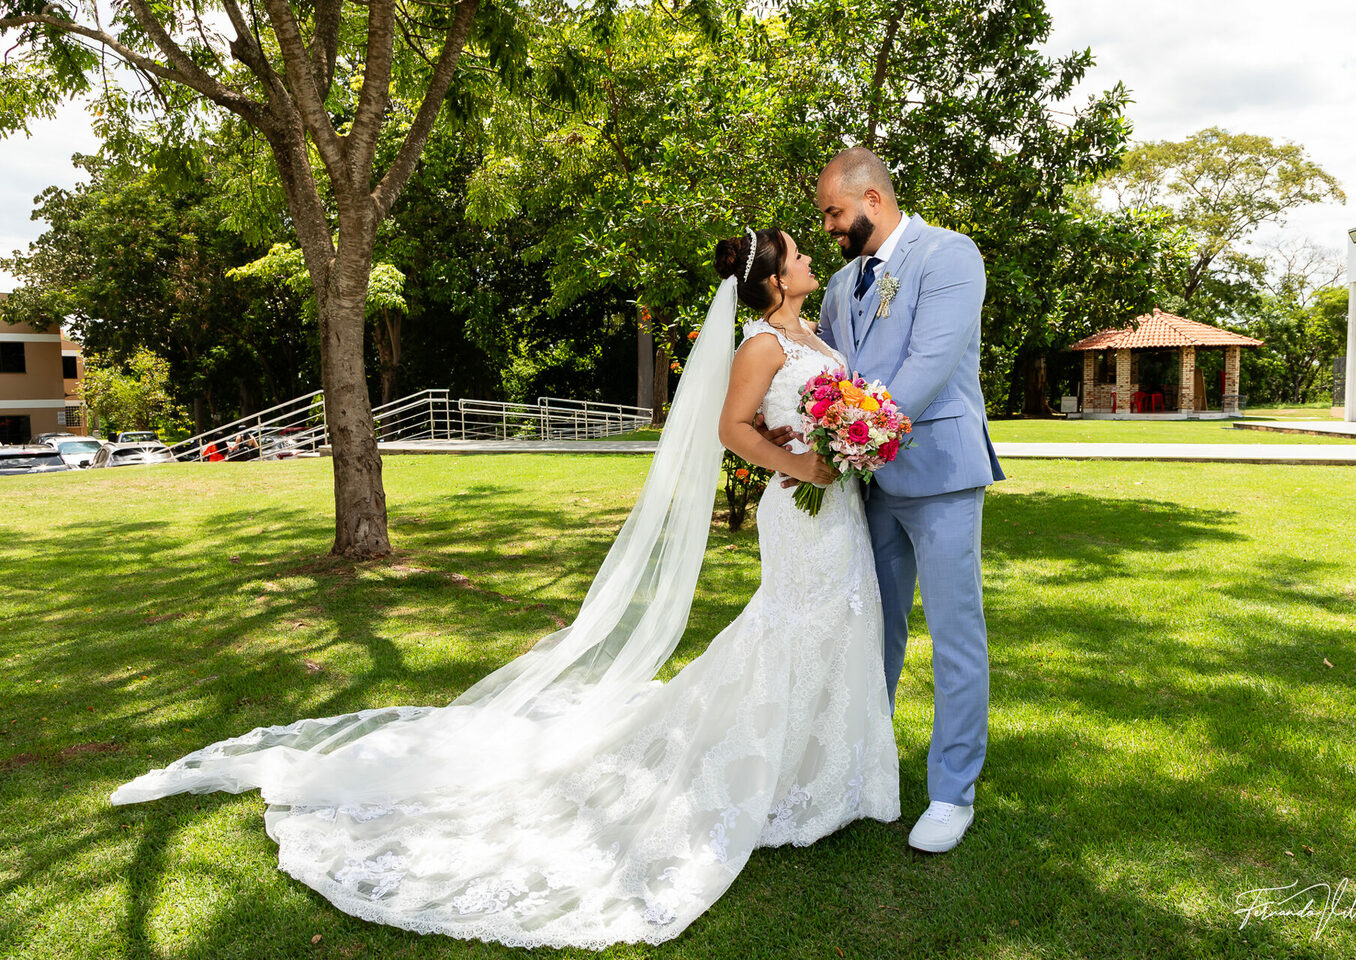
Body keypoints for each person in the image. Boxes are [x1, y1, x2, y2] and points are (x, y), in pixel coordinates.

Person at [110, 227, 899, 948]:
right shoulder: (761, 344)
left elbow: (824, 408)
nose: (809, 257)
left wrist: (853, 437)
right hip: (801, 507)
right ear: (774, 280)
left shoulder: (813, 334)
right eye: (797, 253)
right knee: (789, 629)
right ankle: (779, 777)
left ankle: (826, 773)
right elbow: (733, 428)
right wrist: (802, 463)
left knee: (838, 625)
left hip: (839, 509)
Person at [813, 146, 1005, 853]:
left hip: (940, 473)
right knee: (873, 632)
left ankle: (953, 793)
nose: (829, 227)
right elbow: (825, 370)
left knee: (955, 636)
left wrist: (852, 436)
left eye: (834, 212)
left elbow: (929, 364)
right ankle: (869, 767)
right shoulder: (840, 285)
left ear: (872, 199)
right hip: (867, 484)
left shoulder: (950, 255)